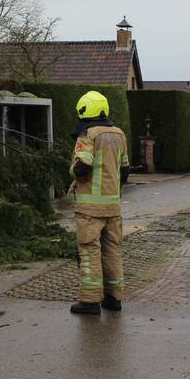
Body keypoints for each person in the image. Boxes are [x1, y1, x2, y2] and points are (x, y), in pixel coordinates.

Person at [68, 91, 130, 315]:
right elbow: (125, 170)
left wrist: (73, 170)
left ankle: (90, 301)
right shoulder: (119, 134)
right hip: (113, 207)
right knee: (112, 250)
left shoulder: (88, 134)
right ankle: (114, 299)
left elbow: (82, 167)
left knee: (89, 251)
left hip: (90, 210)